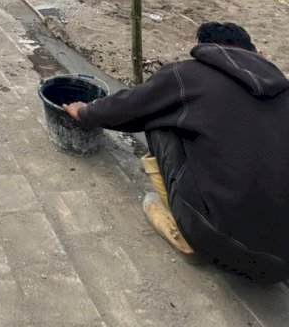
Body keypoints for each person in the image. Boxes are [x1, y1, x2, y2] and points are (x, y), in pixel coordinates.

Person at [63, 22, 289, 284]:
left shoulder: (189, 75)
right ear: (258, 55)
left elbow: (126, 109)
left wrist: (83, 112)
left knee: (159, 117)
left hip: (218, 242)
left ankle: (184, 231)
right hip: (279, 268)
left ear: (206, 50)